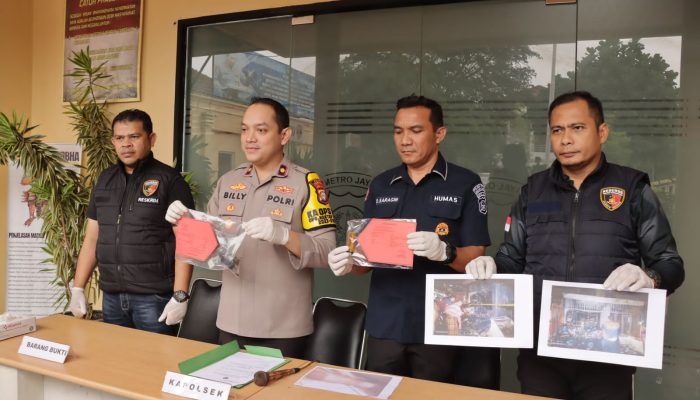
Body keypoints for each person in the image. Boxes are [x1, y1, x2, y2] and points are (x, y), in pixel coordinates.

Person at [466, 91, 685, 399]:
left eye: (577, 128)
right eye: (557, 130)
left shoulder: (632, 189)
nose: (565, 139)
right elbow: (511, 259)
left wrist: (650, 277)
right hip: (539, 354)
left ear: (602, 132)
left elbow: (671, 265)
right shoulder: (533, 191)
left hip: (608, 354)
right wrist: (491, 265)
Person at [327, 95, 493, 384]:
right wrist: (347, 263)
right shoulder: (381, 185)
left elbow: (477, 257)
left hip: (438, 326)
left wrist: (446, 252)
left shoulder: (466, 184)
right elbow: (365, 262)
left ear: (439, 134)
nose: (405, 140)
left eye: (416, 131)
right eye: (398, 131)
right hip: (386, 323)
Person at [166, 97, 336, 358]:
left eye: (261, 130)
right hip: (231, 322)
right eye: (244, 129)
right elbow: (206, 248)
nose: (249, 138)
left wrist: (283, 236)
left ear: (285, 135)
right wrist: (182, 224)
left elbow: (327, 250)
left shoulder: (306, 183)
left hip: (283, 328)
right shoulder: (228, 181)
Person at [70, 109, 195, 335]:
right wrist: (78, 287)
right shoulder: (105, 180)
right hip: (112, 297)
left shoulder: (170, 181)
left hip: (155, 298)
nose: (126, 144)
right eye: (119, 138)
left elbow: (188, 242)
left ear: (151, 139)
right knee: (117, 364)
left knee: (154, 365)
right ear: (113, 142)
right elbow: (92, 238)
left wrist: (180, 295)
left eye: (134, 137)